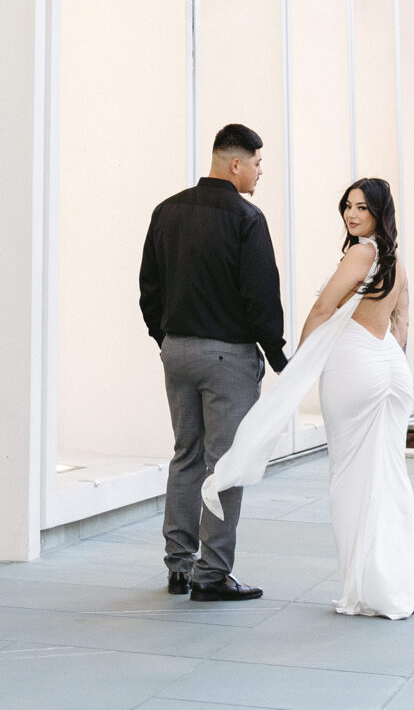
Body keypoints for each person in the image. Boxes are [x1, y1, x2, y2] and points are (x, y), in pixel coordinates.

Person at [201, 177, 414, 620]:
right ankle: (393, 587)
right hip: (390, 368)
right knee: (387, 477)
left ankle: (366, 590)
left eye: (362, 207)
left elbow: (324, 310)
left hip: (356, 363)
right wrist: (385, 361)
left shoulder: (362, 252)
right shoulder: (396, 260)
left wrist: (298, 361)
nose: (352, 215)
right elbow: (401, 323)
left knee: (351, 479)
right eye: (347, 207)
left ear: (380, 212)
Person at [139, 123, 287, 602]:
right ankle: (212, 573)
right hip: (228, 358)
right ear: (235, 164)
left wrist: (165, 338)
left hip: (177, 351)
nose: (261, 173)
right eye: (258, 164)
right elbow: (261, 297)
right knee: (226, 465)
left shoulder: (167, 211)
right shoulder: (247, 217)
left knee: (185, 456)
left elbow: (149, 287)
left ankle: (178, 566)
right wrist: (279, 353)